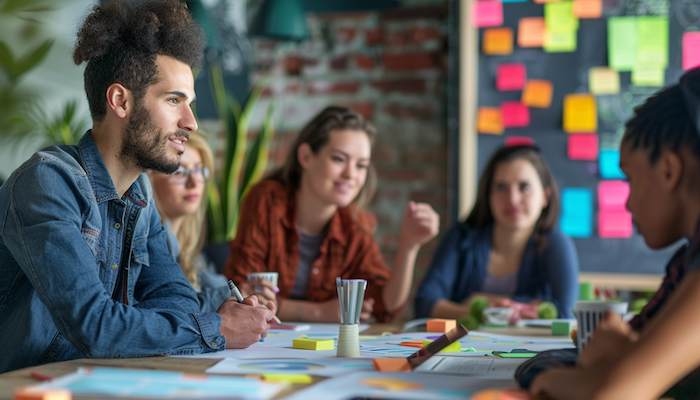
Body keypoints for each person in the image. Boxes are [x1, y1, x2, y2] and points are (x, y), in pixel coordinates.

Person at [0, 0, 273, 374]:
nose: (191, 122)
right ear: (120, 101)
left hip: (94, 383)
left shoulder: (140, 197)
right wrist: (217, 327)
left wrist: (130, 325)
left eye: (189, 103)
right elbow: (96, 327)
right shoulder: (47, 184)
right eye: (174, 100)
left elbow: (178, 299)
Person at [530, 68, 700, 400]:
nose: (627, 202)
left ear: (669, 170)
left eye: (629, 180)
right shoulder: (688, 260)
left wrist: (547, 381)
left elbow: (611, 394)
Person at [223, 106, 440, 323]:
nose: (351, 174)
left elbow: (383, 307)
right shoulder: (266, 201)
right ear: (306, 156)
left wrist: (409, 246)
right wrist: (318, 313)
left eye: (361, 165)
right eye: (339, 159)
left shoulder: (356, 223)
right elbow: (244, 296)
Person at [414, 145, 579, 320]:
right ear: (488, 195)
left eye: (524, 187)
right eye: (501, 187)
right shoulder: (461, 237)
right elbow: (425, 303)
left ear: (545, 196)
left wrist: (481, 302)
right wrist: (524, 307)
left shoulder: (556, 243)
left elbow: (565, 312)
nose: (513, 199)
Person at [150, 132, 239, 313]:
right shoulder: (146, 244)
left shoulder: (191, 251)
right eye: (179, 171)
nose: (194, 182)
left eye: (199, 170)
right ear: (148, 179)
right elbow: (178, 311)